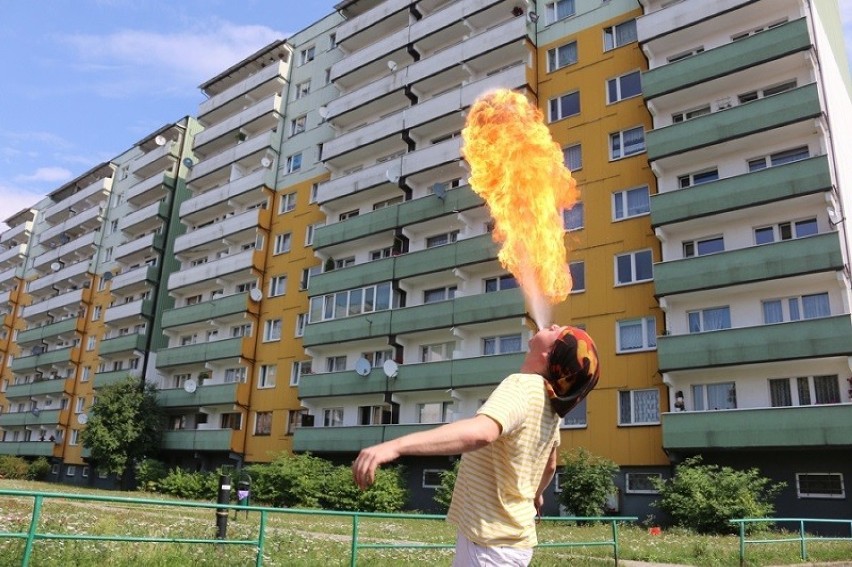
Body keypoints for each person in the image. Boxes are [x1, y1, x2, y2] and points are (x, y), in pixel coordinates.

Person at [352, 325, 600, 566]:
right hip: (513, 543)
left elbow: (482, 433)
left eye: (558, 331)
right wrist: (536, 495)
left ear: (551, 354)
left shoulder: (522, 385)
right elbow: (550, 465)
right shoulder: (552, 408)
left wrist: (396, 446)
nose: (553, 324)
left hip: (488, 545)